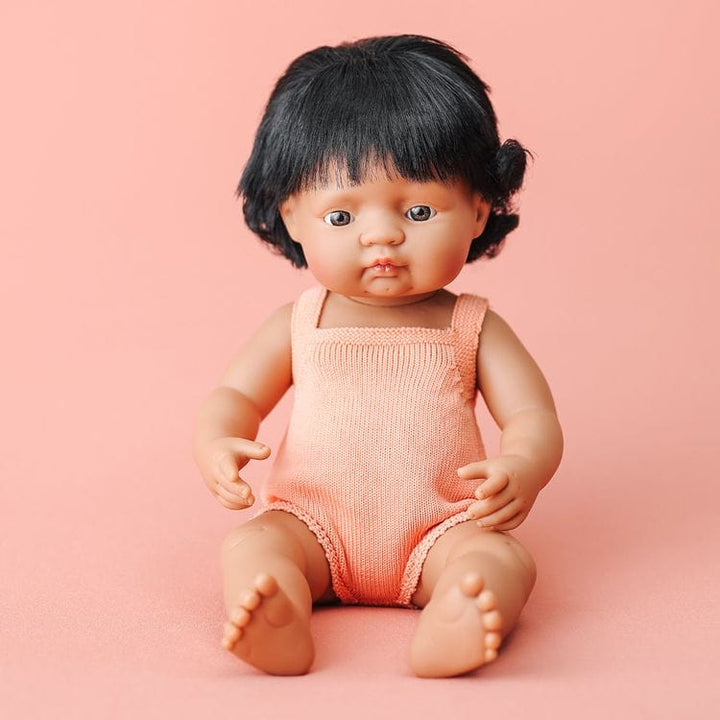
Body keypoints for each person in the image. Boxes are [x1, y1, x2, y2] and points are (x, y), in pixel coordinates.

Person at [193, 34, 563, 677]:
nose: (382, 235)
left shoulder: (473, 326)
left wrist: (523, 467)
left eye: (418, 209)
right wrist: (217, 441)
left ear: (479, 210)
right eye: (341, 217)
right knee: (253, 542)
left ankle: (462, 604)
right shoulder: (299, 324)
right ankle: (277, 605)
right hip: (311, 523)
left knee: (501, 558)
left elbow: (533, 415)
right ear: (293, 217)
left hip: (442, 526)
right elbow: (237, 395)